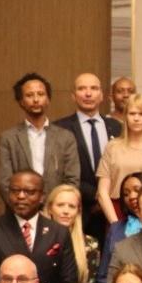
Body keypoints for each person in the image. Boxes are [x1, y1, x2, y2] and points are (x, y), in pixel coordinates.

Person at [54, 73, 124, 242]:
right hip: (78, 209)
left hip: (113, 210)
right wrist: (96, 196)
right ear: (73, 95)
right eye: (82, 88)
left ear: (102, 95)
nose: (88, 93)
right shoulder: (60, 129)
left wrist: (106, 197)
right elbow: (59, 171)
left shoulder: (117, 127)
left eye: (94, 88)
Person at [0, 72, 80, 204]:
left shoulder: (65, 137)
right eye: (29, 95)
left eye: (41, 94)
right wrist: (21, 206)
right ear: (21, 101)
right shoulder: (8, 138)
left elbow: (72, 179)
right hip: (21, 208)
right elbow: (5, 182)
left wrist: (58, 206)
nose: (36, 99)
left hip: (56, 209)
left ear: (48, 99)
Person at [95, 93, 142, 225]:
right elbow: (102, 192)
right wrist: (115, 224)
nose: (136, 118)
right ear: (125, 117)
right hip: (116, 211)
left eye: (141, 114)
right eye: (132, 114)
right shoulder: (112, 147)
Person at [42, 184, 100, 283]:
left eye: (72, 206)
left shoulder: (90, 244)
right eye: (60, 205)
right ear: (50, 208)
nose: (66, 211)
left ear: (78, 212)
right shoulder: (36, 241)